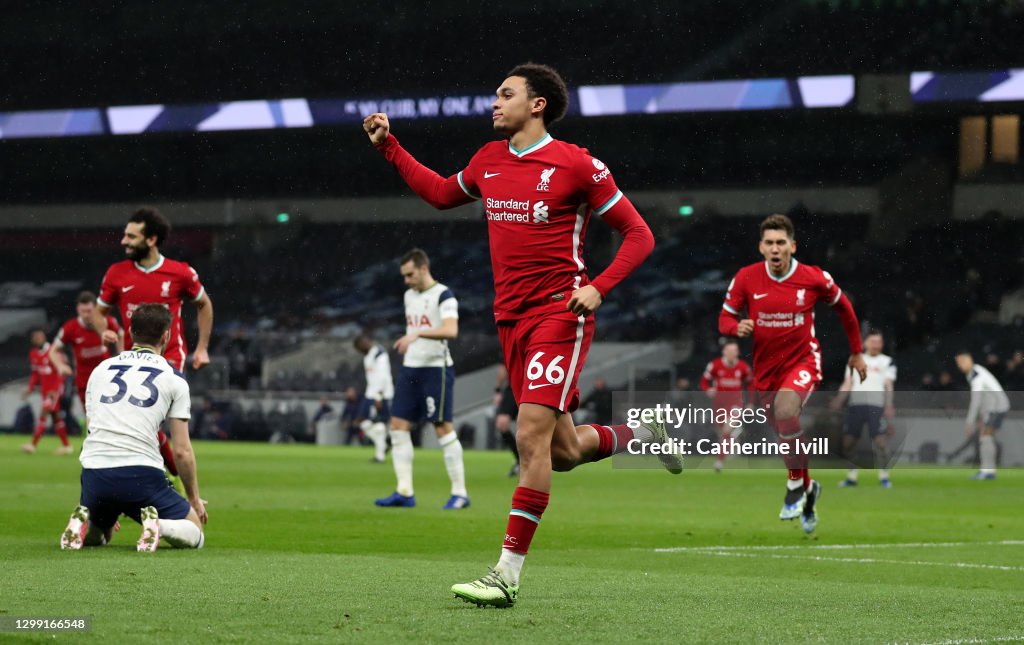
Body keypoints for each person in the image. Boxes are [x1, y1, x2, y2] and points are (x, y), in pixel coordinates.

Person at [365, 63, 678, 608]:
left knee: (529, 436)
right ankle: (640, 435)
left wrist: (599, 287)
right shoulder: (488, 161)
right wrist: (391, 146)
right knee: (563, 453)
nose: (495, 103)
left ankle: (506, 574)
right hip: (511, 320)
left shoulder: (577, 164)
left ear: (537, 105)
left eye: (506, 95)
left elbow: (639, 232)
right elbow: (440, 194)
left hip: (560, 314)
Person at [719, 213, 866, 534]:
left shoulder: (813, 278)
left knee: (787, 410)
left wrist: (856, 351)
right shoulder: (746, 278)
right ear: (761, 247)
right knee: (785, 434)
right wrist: (736, 326)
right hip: (766, 372)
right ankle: (809, 489)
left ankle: (795, 484)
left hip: (803, 363)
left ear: (792, 246)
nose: (775, 248)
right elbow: (724, 319)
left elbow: (845, 307)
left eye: (781, 243)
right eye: (769, 243)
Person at [60, 303, 207, 551]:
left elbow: (93, 429)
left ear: (130, 331)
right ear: (166, 335)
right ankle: (161, 526)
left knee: (102, 535)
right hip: (141, 475)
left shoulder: (100, 370)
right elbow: (181, 450)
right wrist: (193, 498)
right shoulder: (174, 379)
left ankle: (88, 523)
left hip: (96, 473)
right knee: (196, 533)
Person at [90, 207, 214, 483]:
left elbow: (204, 304)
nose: (123, 241)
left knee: (150, 421)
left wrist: (202, 347)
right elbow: (100, 313)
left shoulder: (180, 273)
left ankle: (168, 482)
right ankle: (173, 479)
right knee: (142, 423)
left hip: (169, 357)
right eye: (124, 235)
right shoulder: (116, 274)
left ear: (152, 240)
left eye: (131, 236)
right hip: (130, 358)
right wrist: (104, 332)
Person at [374, 249, 469, 510]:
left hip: (435, 369)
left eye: (410, 274)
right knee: (397, 425)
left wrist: (418, 335)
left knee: (441, 427)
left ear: (424, 268)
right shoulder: (409, 295)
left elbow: (451, 330)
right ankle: (404, 492)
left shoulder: (444, 295)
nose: (406, 280)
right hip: (411, 368)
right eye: (404, 276)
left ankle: (460, 493)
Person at [830, 330, 897, 488]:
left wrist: (888, 404)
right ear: (865, 343)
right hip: (856, 406)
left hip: (876, 406)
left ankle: (884, 476)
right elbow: (848, 382)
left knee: (880, 442)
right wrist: (839, 399)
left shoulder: (887, 361)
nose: (876, 345)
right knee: (848, 442)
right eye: (873, 342)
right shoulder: (855, 359)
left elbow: (888, 384)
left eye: (879, 342)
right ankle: (852, 477)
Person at [48, 291, 124, 413]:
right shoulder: (70, 328)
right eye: (83, 311)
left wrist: (122, 354)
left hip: (108, 377)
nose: (86, 315)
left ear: (95, 309)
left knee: (111, 413)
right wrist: (60, 365)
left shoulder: (108, 322)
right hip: (84, 380)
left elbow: (121, 334)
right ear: (78, 309)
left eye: (89, 311)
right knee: (91, 414)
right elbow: (53, 351)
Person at [955, 350, 1010, 480]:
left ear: (969, 360)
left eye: (961, 362)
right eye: (958, 363)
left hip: (998, 407)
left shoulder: (976, 375)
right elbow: (986, 396)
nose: (959, 365)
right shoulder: (974, 372)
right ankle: (988, 471)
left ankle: (988, 472)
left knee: (985, 438)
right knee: (986, 438)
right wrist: (982, 416)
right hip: (992, 408)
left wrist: (970, 421)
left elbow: (976, 399)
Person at [699, 340, 753, 473]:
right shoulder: (715, 365)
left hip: (735, 404)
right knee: (722, 434)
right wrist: (708, 390)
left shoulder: (743, 367)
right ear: (724, 352)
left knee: (726, 431)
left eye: (734, 351)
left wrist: (750, 402)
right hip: (719, 405)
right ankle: (732, 443)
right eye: (729, 350)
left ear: (737, 352)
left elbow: (751, 384)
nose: (731, 353)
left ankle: (719, 462)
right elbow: (703, 382)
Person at [21, 329, 72, 455]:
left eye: (40, 337)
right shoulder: (33, 354)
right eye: (35, 338)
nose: (38, 339)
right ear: (33, 340)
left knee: (44, 412)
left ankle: (32, 445)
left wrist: (57, 389)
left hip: (55, 389)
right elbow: (35, 373)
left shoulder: (53, 351)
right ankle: (66, 446)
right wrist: (30, 388)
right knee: (55, 417)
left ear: (44, 338)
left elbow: (62, 371)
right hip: (45, 390)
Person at [354, 334, 394, 463]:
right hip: (370, 393)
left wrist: (378, 396)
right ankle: (383, 447)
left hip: (380, 394)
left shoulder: (379, 354)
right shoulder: (369, 355)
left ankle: (380, 454)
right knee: (368, 423)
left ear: (364, 343)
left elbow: (383, 376)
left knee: (376, 424)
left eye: (359, 347)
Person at [494, 365, 521, 477]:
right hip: (513, 387)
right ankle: (520, 459)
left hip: (534, 384)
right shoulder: (510, 347)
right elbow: (502, 367)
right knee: (502, 424)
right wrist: (498, 390)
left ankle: (532, 462)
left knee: (528, 426)